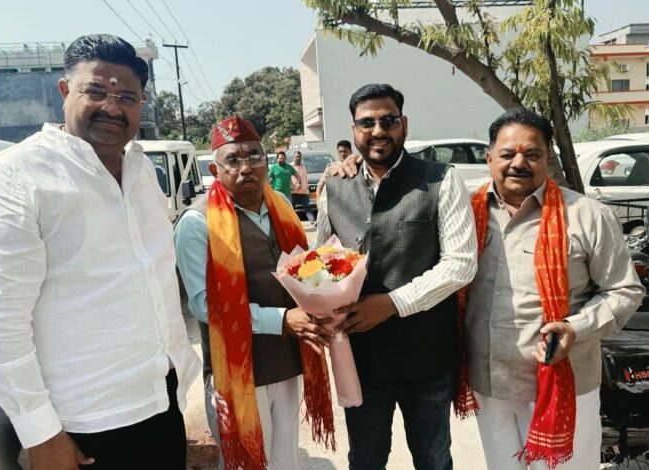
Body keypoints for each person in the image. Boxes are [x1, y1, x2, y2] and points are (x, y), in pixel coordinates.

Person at [0, 34, 201, 470]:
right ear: (64, 90)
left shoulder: (142, 169)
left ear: (142, 103)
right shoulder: (13, 178)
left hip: (160, 398)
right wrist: (41, 433)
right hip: (84, 424)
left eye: (127, 97)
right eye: (96, 91)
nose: (112, 107)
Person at [461, 108, 645, 469]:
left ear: (547, 157)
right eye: (507, 154)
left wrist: (577, 328)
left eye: (532, 154)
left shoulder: (587, 215)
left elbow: (624, 290)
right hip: (490, 383)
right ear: (489, 158)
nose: (519, 163)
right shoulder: (467, 213)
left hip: (563, 382)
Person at [316, 83, 478, 470]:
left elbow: (461, 263)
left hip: (426, 357)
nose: (378, 131)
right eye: (366, 123)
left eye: (388, 121)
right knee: (366, 459)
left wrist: (391, 303)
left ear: (404, 124)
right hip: (362, 359)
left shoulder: (441, 180)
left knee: (433, 459)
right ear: (353, 130)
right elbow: (322, 261)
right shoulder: (335, 188)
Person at [174, 116, 335, 470]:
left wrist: (329, 289)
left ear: (267, 160)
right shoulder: (197, 222)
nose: (246, 167)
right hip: (235, 371)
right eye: (233, 160)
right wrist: (282, 320)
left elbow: (302, 268)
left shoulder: (281, 204)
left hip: (286, 362)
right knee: (246, 464)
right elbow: (204, 305)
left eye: (254, 156)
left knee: (285, 462)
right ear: (215, 169)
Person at [290, 150, 315, 224]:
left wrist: (307, 188)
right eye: (297, 157)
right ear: (293, 157)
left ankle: (312, 220)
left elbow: (305, 178)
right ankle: (290, 222)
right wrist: (290, 186)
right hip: (294, 192)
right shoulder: (290, 166)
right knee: (291, 208)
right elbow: (288, 178)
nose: (298, 158)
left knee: (307, 207)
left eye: (299, 157)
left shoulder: (303, 166)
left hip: (304, 192)